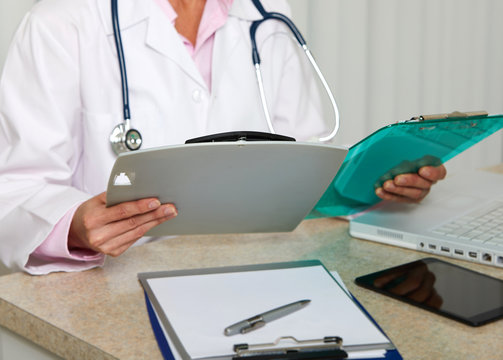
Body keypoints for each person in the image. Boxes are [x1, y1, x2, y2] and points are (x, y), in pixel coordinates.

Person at [0, 0, 445, 275]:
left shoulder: (267, 15)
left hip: (266, 271)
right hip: (121, 283)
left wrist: (379, 182)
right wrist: (74, 226)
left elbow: (307, 161)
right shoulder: (61, 22)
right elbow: (16, 189)